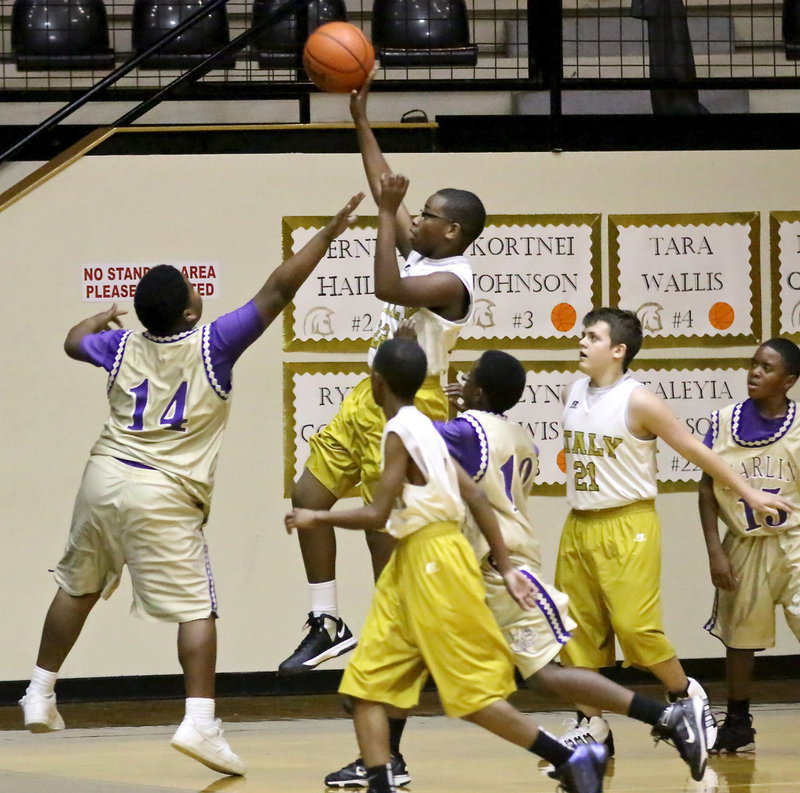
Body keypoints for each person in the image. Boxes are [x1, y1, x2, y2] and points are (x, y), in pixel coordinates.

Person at [18, 193, 365, 777]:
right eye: (190, 290)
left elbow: (71, 340)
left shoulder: (118, 344)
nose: (198, 292)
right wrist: (329, 234)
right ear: (186, 314)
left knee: (77, 586)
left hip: (103, 478)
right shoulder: (213, 344)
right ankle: (201, 721)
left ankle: (39, 690)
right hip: (163, 490)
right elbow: (278, 289)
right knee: (197, 608)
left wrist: (100, 317)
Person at [324, 349, 711, 788]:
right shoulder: (515, 435)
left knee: (544, 675)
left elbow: (422, 443)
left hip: (497, 566)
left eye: (467, 379)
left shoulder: (462, 431)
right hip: (473, 567)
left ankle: (664, 715)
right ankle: (384, 759)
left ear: (479, 391)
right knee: (408, 666)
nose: (461, 384)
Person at [285, 336, 610, 793]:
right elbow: (475, 497)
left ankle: (581, 751)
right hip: (418, 564)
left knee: (472, 697)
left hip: (432, 562)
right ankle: (384, 774)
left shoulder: (408, 432)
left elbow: (379, 515)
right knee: (362, 693)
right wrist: (505, 561)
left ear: (374, 384)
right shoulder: (427, 425)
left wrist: (316, 515)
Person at [280, 71, 485, 679]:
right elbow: (381, 188)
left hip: (415, 406)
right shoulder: (424, 247)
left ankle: (393, 643)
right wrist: (361, 122)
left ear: (450, 230)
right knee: (308, 495)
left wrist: (390, 213)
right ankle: (326, 621)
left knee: (382, 534)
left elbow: (386, 284)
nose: (412, 219)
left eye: (424, 216)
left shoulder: (455, 281)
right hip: (372, 390)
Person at [553, 307, 793, 755]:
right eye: (581, 335)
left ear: (618, 350)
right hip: (578, 523)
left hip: (628, 522)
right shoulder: (574, 391)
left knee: (635, 627)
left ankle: (688, 695)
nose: (581, 342)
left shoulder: (639, 400)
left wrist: (751, 494)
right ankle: (591, 723)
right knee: (577, 633)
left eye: (592, 337)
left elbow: (694, 452)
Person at [699, 338, 800, 753]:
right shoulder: (723, 422)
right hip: (742, 540)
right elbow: (705, 490)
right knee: (741, 638)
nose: (755, 372)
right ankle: (738, 721)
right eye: (753, 363)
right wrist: (714, 551)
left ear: (789, 380)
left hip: (793, 540)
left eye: (767, 367)